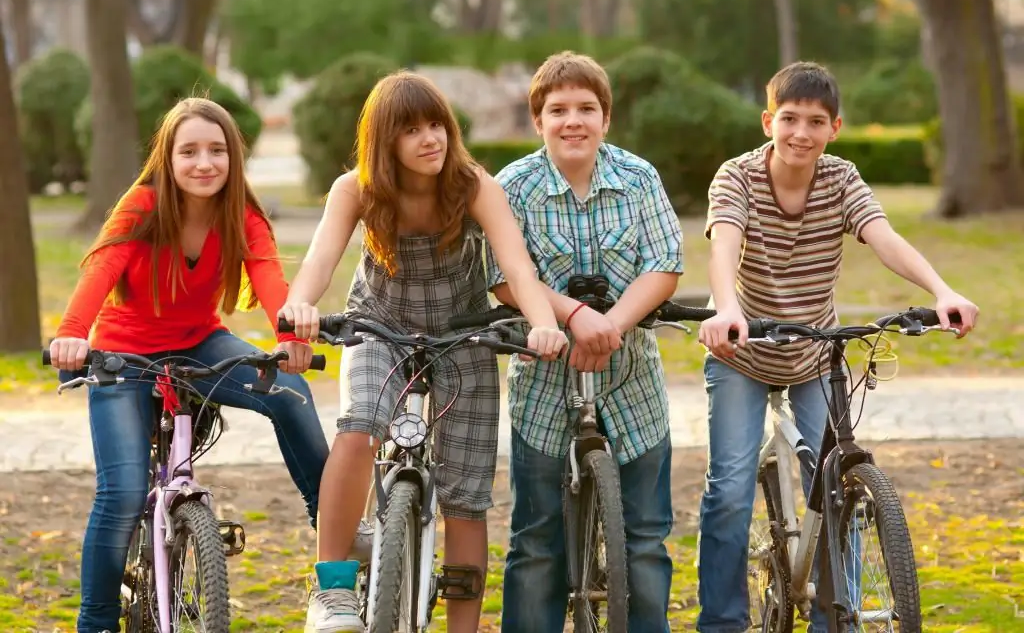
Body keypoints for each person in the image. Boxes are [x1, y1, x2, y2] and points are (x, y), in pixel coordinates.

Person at [279, 71, 568, 633]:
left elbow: (516, 266)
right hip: (379, 327)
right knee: (360, 427)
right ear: (384, 142)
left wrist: (541, 324)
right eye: (411, 130)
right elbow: (318, 261)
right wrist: (299, 307)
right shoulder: (356, 189)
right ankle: (333, 590)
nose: (430, 138)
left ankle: (462, 627)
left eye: (436, 124)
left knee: (465, 490)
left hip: (464, 333)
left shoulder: (473, 185)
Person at [695, 61, 979, 632]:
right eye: (790, 119)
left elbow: (884, 238)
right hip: (743, 350)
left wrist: (943, 291)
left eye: (816, 122)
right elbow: (725, 243)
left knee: (834, 487)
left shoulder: (842, 179)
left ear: (835, 127)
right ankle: (722, 623)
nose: (801, 132)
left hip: (814, 351)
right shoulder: (737, 176)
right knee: (728, 488)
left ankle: (835, 621)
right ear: (768, 120)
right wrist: (726, 308)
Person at [47, 97, 330, 633]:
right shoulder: (143, 205)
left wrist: (289, 337)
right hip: (124, 353)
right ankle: (96, 623)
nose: (205, 163)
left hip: (199, 342)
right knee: (123, 492)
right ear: (168, 159)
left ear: (234, 158)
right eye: (190, 151)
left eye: (217, 150)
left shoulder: (242, 216)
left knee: (288, 390)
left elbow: (270, 280)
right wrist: (70, 336)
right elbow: (101, 270)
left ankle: (331, 525)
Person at [486, 51, 684, 633]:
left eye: (586, 109)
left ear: (606, 118)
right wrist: (574, 317)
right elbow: (501, 275)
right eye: (558, 110)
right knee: (537, 543)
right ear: (538, 120)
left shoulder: (638, 178)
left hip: (632, 382)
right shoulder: (513, 187)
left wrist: (612, 325)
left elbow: (665, 263)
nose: (573, 121)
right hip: (544, 387)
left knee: (645, 541)